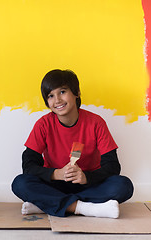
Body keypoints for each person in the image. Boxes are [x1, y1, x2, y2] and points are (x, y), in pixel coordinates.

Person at [11, 69, 134, 218]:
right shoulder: (43, 125)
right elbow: (28, 166)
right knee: (20, 183)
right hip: (55, 184)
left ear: (76, 93)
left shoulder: (96, 123)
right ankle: (84, 208)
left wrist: (86, 177)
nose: (57, 100)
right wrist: (56, 174)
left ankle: (47, 204)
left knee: (123, 186)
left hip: (88, 185)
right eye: (51, 96)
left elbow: (113, 166)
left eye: (62, 92)